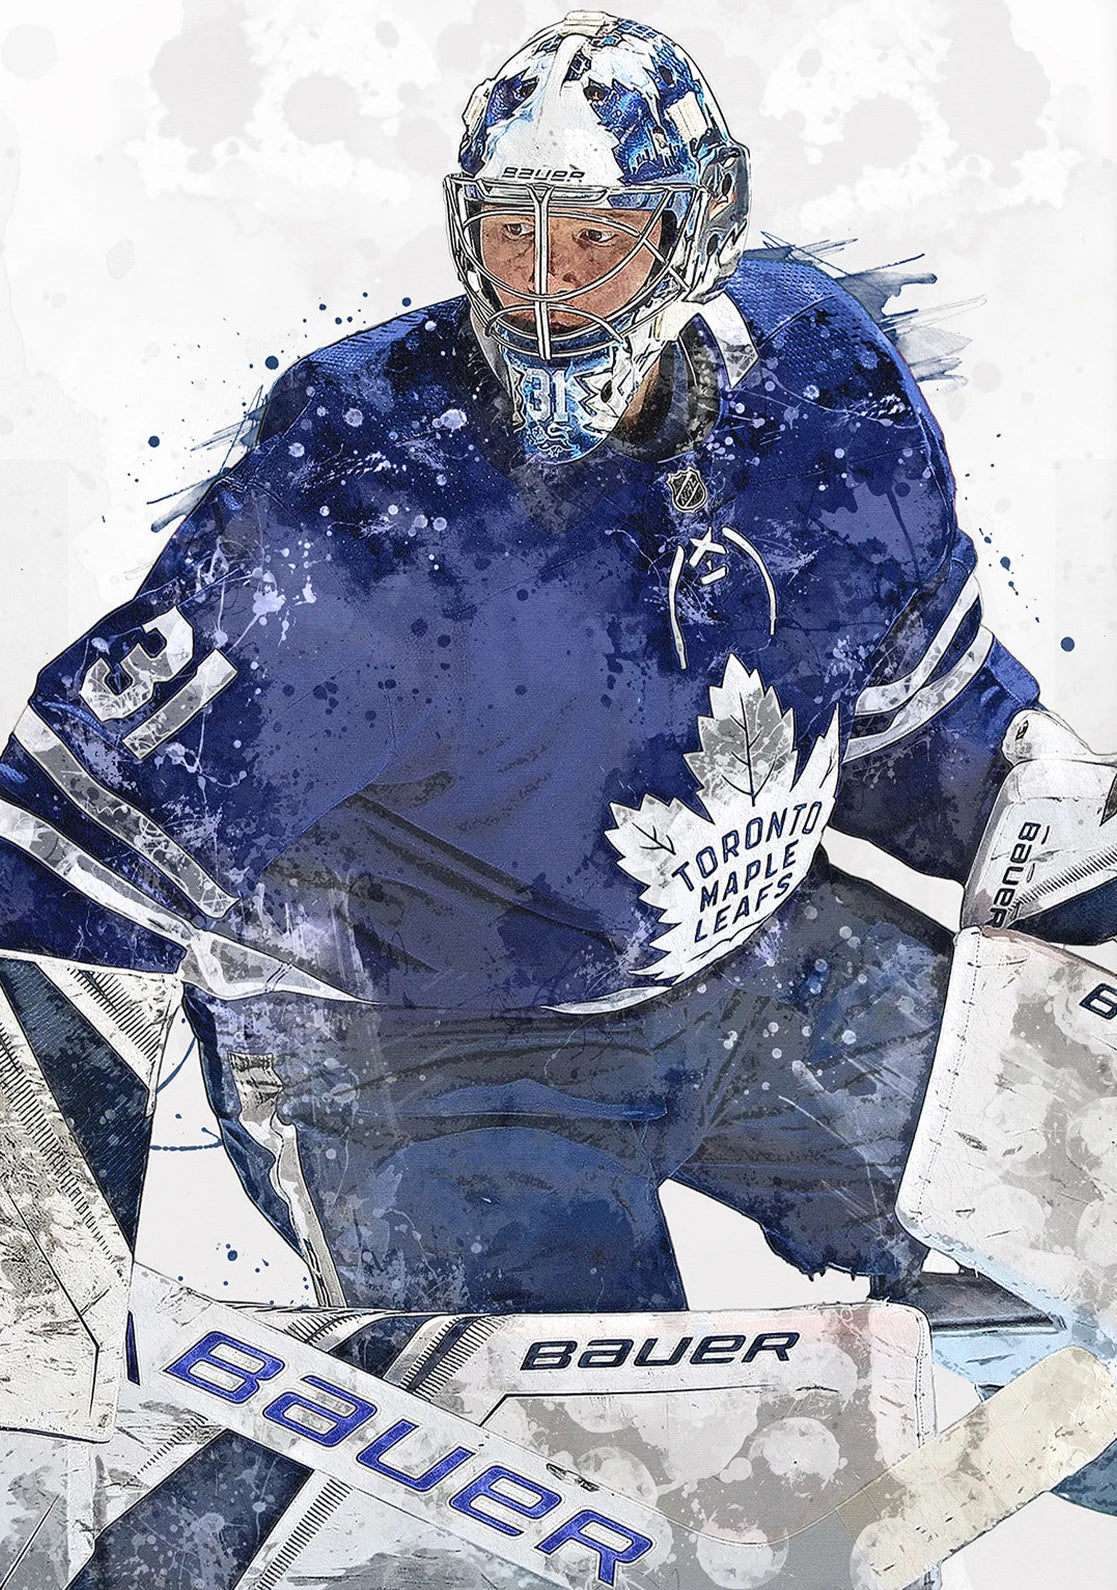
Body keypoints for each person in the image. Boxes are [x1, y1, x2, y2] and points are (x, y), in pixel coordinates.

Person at [1, 11, 1115, 1581]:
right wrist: (26, 1302)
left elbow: (916, 732)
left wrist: (1056, 845)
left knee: (1102, 1201)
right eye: (507, 241)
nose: (539, 295)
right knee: (621, 1516)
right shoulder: (362, 494)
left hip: (761, 968)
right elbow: (64, 874)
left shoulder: (823, 398)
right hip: (422, 1066)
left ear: (699, 230)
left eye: (590, 244)